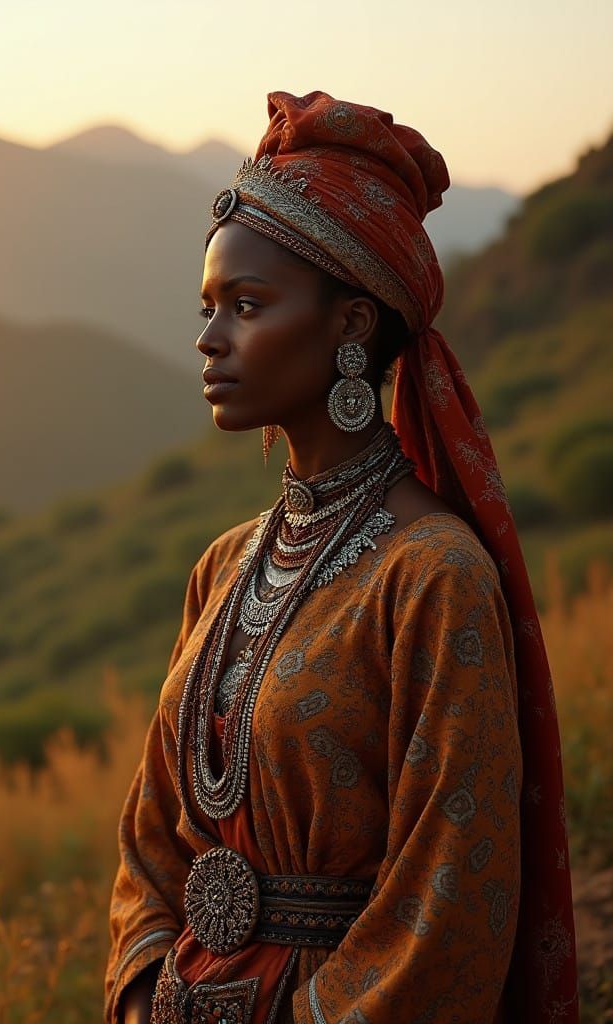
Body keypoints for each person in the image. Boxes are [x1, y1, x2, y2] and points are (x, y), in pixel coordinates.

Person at [105, 91, 579, 1024]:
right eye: (208, 307)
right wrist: (142, 989)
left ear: (353, 324)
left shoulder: (433, 574)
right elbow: (152, 842)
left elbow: (451, 896)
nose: (209, 338)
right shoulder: (222, 566)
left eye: (246, 306)